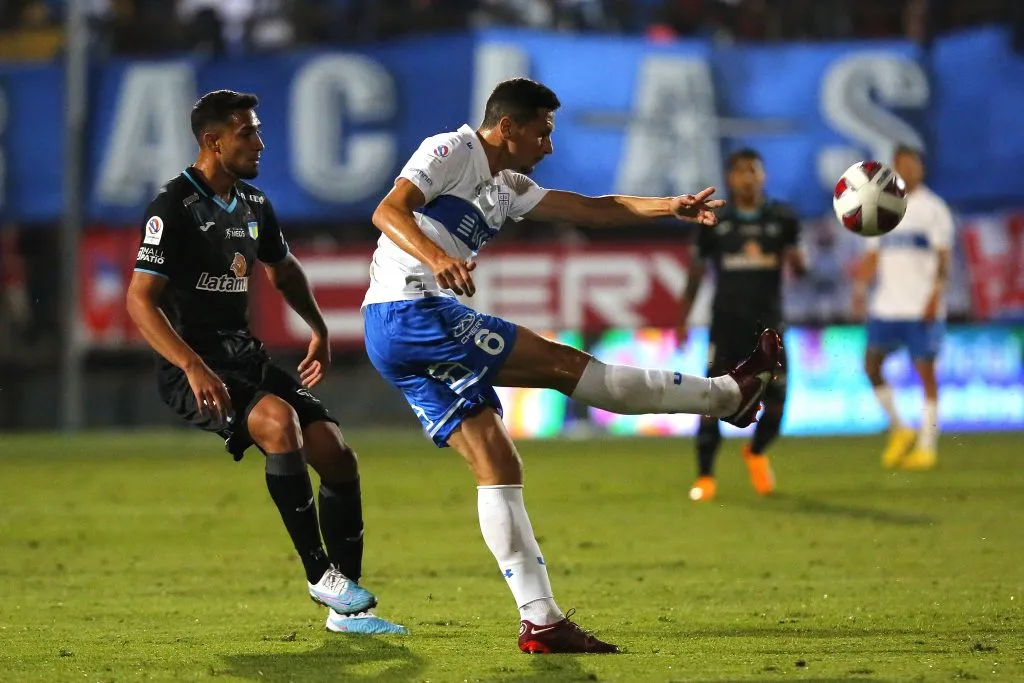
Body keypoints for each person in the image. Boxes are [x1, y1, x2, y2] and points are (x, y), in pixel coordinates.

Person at [362, 77, 782, 654]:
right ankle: (725, 396)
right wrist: (438, 257)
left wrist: (670, 206)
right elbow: (388, 210)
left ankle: (541, 621)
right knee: (567, 367)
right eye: (543, 131)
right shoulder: (450, 150)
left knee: (497, 461)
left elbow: (594, 210)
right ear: (506, 127)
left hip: (397, 329)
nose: (550, 146)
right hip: (413, 311)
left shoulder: (505, 186)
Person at [125, 90, 405, 635]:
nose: (259, 143)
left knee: (336, 454)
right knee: (279, 424)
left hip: (244, 356)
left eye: (256, 131)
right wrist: (191, 365)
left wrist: (319, 328)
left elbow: (285, 269)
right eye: (247, 133)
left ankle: (344, 611)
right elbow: (140, 298)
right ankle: (319, 573)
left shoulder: (253, 206)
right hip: (195, 367)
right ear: (213, 141)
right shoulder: (172, 207)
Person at [677, 148, 807, 502]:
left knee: (777, 403)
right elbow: (696, 272)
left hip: (770, 327)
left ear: (763, 176)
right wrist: (682, 318)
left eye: (753, 170)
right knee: (711, 400)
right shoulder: (717, 221)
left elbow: (801, 269)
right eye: (739, 171)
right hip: (726, 326)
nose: (747, 176)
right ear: (730, 179)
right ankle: (705, 477)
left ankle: (756, 451)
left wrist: (798, 260)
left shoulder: (782, 218)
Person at [853, 144, 954, 470]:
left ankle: (927, 445)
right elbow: (874, 255)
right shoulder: (881, 207)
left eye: (912, 164)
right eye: (901, 165)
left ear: (920, 168)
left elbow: (943, 258)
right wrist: (859, 286)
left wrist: (935, 296)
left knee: (926, 373)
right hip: (887, 306)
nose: (907, 170)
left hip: (921, 306)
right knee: (871, 366)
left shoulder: (933, 208)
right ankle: (899, 427)